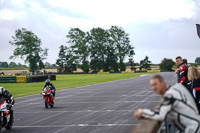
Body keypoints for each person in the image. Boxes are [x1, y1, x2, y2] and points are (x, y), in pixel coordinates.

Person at [134, 75, 200, 133]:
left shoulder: (169, 95)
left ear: (163, 83)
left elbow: (161, 115)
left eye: (155, 84)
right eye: (152, 86)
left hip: (193, 128)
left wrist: (142, 112)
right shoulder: (176, 88)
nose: (153, 88)